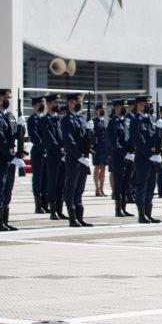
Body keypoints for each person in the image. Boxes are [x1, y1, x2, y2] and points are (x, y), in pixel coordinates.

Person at [0, 89, 22, 231]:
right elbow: (0, 140)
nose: (6, 101)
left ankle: (5, 220)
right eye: (3, 99)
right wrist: (11, 157)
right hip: (0, 157)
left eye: (8, 98)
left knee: (8, 189)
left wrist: (21, 126)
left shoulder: (10, 116)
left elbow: (16, 136)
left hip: (10, 157)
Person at [60, 92, 94, 227]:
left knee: (80, 188)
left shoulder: (82, 118)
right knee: (71, 188)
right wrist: (79, 157)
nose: (79, 104)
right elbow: (69, 141)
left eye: (80, 101)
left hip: (83, 158)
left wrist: (91, 130)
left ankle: (80, 218)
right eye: (76, 102)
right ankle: (72, 218)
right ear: (69, 103)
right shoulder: (66, 120)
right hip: (74, 159)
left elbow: (88, 139)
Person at [130, 95, 162, 224]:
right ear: (139, 105)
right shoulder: (135, 120)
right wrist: (149, 154)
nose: (149, 106)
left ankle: (149, 214)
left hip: (153, 158)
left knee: (151, 186)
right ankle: (141, 215)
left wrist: (160, 130)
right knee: (142, 186)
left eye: (150, 104)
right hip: (143, 159)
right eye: (146, 104)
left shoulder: (151, 119)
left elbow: (157, 139)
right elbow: (138, 141)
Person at [108, 98, 133, 217]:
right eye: (122, 107)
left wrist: (131, 151)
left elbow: (129, 139)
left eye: (125, 107)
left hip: (128, 158)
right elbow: (114, 143)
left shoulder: (126, 121)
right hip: (118, 157)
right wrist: (124, 153)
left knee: (126, 183)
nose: (124, 109)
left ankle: (124, 207)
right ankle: (118, 209)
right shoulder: (113, 123)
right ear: (116, 108)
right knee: (118, 183)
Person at [27, 95, 48, 211]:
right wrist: (43, 149)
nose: (43, 105)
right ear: (34, 105)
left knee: (46, 178)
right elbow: (34, 137)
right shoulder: (32, 119)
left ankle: (45, 204)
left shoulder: (45, 118)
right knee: (38, 178)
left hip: (47, 152)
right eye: (40, 103)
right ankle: (38, 205)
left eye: (43, 103)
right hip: (38, 152)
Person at [93, 103, 109, 197]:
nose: (102, 110)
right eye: (100, 109)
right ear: (96, 110)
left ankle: (102, 189)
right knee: (97, 167)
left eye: (103, 109)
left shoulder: (105, 121)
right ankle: (97, 189)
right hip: (97, 147)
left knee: (103, 168)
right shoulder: (94, 121)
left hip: (104, 147)